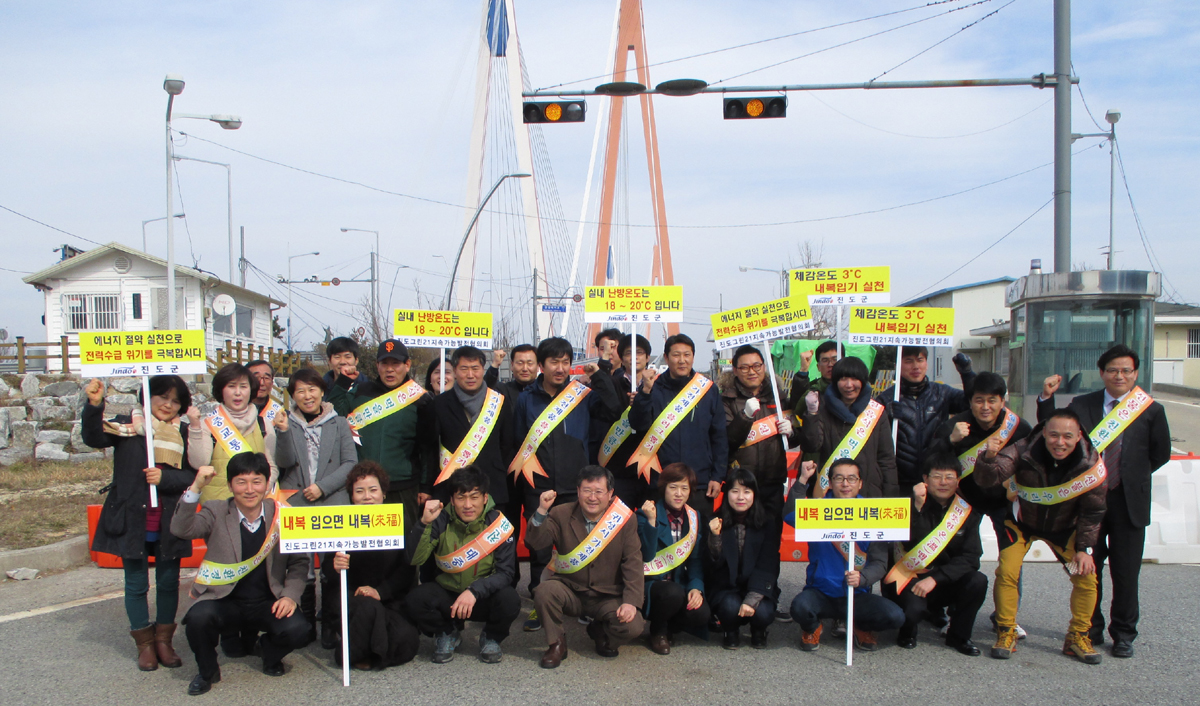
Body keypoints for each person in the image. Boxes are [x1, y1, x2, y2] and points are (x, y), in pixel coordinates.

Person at [1036, 344, 1170, 658]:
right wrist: (1045, 399)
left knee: (1126, 572)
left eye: (1126, 370)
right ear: (1101, 373)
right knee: (1086, 568)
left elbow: (1160, 453)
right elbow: (1053, 431)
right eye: (1112, 370)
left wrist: (1129, 475)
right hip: (1087, 500)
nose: (1119, 376)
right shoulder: (1083, 404)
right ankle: (1089, 628)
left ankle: (1123, 634)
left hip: (1128, 501)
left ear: (1136, 373)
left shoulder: (1151, 410)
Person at [972, 408, 1107, 664]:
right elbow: (987, 479)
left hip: (1064, 530)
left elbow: (1094, 510)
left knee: (1086, 577)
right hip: (1022, 524)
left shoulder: (1090, 464)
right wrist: (988, 458)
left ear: (1079, 435)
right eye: (1054, 435)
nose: (1060, 442)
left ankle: (1078, 636)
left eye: (1067, 436)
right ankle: (1006, 630)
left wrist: (1084, 548)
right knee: (1007, 572)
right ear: (1044, 432)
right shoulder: (1023, 449)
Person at [82, 375, 196, 672]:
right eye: (162, 397)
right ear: (147, 396)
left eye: (175, 401)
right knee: (135, 583)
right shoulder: (126, 426)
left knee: (168, 582)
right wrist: (94, 405)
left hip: (169, 519)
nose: (168, 405)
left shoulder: (184, 432)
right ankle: (144, 644)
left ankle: (164, 641)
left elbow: (193, 474)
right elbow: (93, 438)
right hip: (132, 516)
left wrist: (165, 477)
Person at [172, 453, 310, 695]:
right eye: (241, 482)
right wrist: (195, 488)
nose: (249, 489)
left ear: (267, 484)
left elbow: (299, 562)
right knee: (197, 619)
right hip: (224, 600)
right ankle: (207, 671)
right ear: (229, 485)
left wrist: (289, 596)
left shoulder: (283, 514)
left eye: (256, 481)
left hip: (267, 601)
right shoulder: (216, 510)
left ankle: (267, 652)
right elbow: (181, 529)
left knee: (299, 629)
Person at [510, 337, 621, 629]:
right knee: (539, 549)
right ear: (541, 365)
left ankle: (584, 602)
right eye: (554, 362)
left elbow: (613, 409)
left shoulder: (581, 395)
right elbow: (519, 442)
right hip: (539, 485)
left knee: (580, 546)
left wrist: (600, 375)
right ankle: (540, 603)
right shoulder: (526, 399)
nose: (560, 368)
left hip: (576, 486)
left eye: (565, 362)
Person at [928, 371, 1032, 639]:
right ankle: (954, 614)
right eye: (979, 400)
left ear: (1002, 401)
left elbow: (1033, 462)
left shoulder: (1018, 428)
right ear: (970, 401)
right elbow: (931, 461)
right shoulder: (956, 425)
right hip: (964, 500)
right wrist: (950, 441)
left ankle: (1006, 617)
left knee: (1011, 560)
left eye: (992, 400)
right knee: (957, 558)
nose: (985, 407)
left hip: (1003, 502)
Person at [525, 466, 644, 668]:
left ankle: (601, 632)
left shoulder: (624, 519)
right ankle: (556, 644)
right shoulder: (561, 513)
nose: (592, 497)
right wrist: (542, 511)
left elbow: (633, 562)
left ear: (610, 493)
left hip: (608, 595)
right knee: (544, 591)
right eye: (587, 491)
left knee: (633, 626)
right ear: (578, 491)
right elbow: (535, 543)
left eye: (599, 491)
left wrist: (631, 602)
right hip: (571, 590)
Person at [274, 367, 357, 645]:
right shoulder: (286, 422)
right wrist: (283, 432)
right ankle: (306, 625)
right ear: (292, 395)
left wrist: (323, 486)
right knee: (303, 567)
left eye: (312, 389)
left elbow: (350, 463)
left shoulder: (339, 423)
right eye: (300, 391)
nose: (307, 396)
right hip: (297, 504)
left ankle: (331, 628)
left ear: (322, 391)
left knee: (333, 568)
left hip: (332, 501)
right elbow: (284, 462)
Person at [406, 466, 520, 664]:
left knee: (510, 599)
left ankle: (491, 637)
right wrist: (423, 523)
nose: (468, 505)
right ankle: (447, 632)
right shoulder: (440, 519)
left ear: (485, 498)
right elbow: (414, 559)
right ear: (452, 500)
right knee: (416, 599)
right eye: (461, 498)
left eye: (474, 497)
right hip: (448, 595)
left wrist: (474, 591)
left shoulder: (497, 524)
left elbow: (506, 573)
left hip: (482, 596)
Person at [790, 458, 904, 653]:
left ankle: (861, 626)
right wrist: (802, 480)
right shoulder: (817, 509)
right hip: (821, 592)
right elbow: (789, 514)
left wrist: (863, 578)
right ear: (830, 482)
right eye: (839, 478)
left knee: (895, 616)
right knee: (800, 608)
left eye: (851, 479)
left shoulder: (873, 513)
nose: (845, 484)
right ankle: (813, 627)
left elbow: (879, 563)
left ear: (860, 483)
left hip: (857, 593)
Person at [884, 453, 987, 656]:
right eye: (937, 476)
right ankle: (907, 631)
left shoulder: (966, 512)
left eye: (949, 477)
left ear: (958, 480)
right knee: (912, 611)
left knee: (978, 581)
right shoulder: (907, 505)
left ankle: (959, 636)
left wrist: (936, 578)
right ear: (925, 479)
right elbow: (907, 541)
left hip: (943, 578)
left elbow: (971, 557)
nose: (943, 482)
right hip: (908, 576)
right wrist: (917, 508)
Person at [325, 462, 420, 670]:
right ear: (352, 496)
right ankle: (354, 653)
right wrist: (335, 566)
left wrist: (380, 592)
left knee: (407, 640)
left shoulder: (398, 521)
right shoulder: (341, 523)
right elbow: (327, 570)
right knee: (368, 608)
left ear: (383, 493)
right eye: (359, 491)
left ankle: (364, 651)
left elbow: (407, 568)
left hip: (388, 598)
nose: (367, 496)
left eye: (373, 490)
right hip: (353, 598)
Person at [327, 339, 436, 518]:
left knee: (404, 535)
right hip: (364, 488)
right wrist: (343, 381)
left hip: (403, 485)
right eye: (384, 363)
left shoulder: (420, 399)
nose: (389, 369)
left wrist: (425, 486)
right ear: (377, 366)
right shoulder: (360, 392)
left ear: (407, 365)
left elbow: (428, 448)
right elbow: (333, 413)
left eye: (396, 364)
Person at [629, 333, 728, 517]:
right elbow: (638, 425)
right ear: (666, 358)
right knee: (659, 532)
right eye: (676, 355)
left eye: (687, 355)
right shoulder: (653, 387)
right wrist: (645, 392)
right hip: (660, 481)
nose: (682, 360)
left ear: (693, 357)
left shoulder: (708, 389)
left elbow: (719, 436)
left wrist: (717, 476)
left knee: (698, 532)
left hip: (698, 482)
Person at [875, 346, 976, 494]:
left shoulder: (942, 393)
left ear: (927, 363)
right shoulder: (886, 399)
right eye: (909, 361)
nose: (915, 366)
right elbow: (873, 436)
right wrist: (886, 417)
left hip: (936, 480)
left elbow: (971, 403)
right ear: (897, 365)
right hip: (899, 482)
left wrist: (967, 374)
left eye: (920, 360)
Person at [430, 346, 513, 519]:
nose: (470, 375)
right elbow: (429, 447)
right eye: (464, 369)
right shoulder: (439, 404)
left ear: (483, 369)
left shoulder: (498, 402)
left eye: (475, 368)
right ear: (454, 371)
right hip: (452, 490)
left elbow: (506, 444)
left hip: (493, 488)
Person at [637, 462, 709, 655]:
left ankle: (672, 626)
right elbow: (646, 555)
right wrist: (651, 522)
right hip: (651, 585)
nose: (679, 494)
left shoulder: (693, 517)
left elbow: (695, 560)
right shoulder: (646, 512)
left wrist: (696, 587)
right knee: (672, 593)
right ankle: (658, 631)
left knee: (701, 613)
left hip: (677, 584)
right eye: (673, 487)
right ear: (664, 488)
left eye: (684, 488)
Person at [800, 357, 898, 499]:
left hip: (869, 493)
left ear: (863, 381)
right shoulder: (822, 409)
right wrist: (812, 414)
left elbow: (886, 460)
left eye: (854, 379)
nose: (849, 385)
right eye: (843, 379)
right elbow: (811, 445)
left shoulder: (876, 412)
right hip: (831, 493)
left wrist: (891, 496)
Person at [722, 344, 798, 526]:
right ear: (735, 370)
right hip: (740, 485)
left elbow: (796, 440)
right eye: (745, 367)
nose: (752, 371)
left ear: (764, 366)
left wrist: (792, 432)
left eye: (757, 366)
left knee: (771, 536)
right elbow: (727, 441)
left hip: (772, 483)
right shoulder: (726, 400)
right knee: (740, 536)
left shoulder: (778, 397)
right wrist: (745, 416)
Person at [706, 467, 780, 649]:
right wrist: (715, 537)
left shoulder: (767, 522)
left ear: (754, 494)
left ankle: (759, 630)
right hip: (727, 587)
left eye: (747, 491)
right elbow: (713, 566)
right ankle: (730, 630)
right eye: (735, 491)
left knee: (763, 612)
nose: (740, 497)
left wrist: (751, 600)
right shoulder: (716, 520)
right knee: (730, 606)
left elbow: (768, 565)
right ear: (727, 494)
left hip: (757, 587)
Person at [187, 363, 277, 503]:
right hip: (216, 506)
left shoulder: (264, 424)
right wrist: (194, 427)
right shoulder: (208, 424)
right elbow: (199, 463)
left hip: (254, 505)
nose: (237, 392)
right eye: (231, 386)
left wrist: (259, 493)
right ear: (221, 390)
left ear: (251, 389)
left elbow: (271, 465)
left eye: (243, 386)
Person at [595, 333, 651, 509]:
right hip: (619, 469)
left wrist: (643, 400)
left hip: (650, 467)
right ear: (621, 358)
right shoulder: (613, 384)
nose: (634, 357)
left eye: (639, 352)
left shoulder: (658, 385)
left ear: (648, 357)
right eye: (628, 353)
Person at [787, 340, 837, 412]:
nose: (830, 364)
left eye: (835, 359)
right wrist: (803, 370)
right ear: (818, 367)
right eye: (825, 360)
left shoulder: (851, 388)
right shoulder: (813, 391)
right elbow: (796, 408)